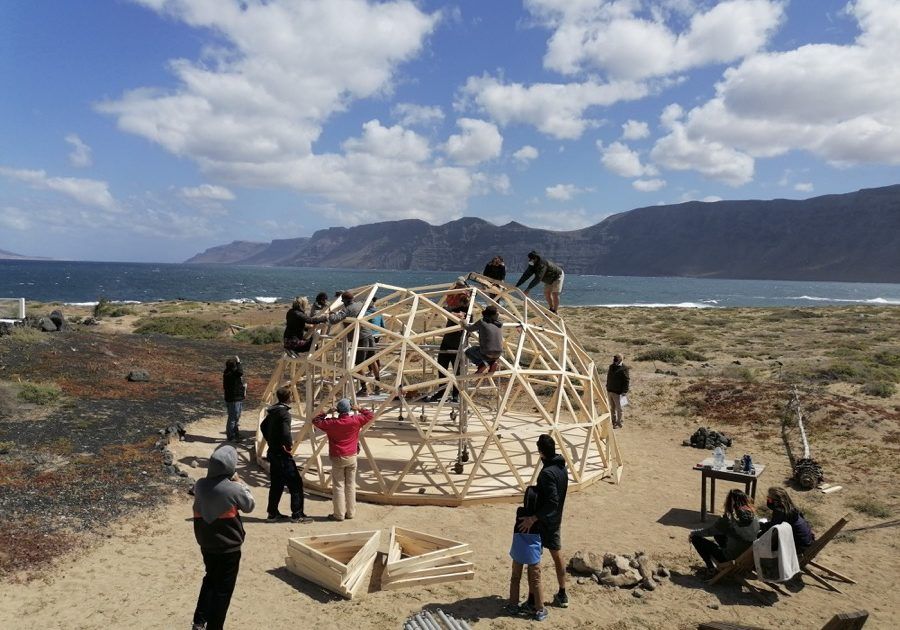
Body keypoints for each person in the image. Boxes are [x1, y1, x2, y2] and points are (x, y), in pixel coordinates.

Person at [191, 444, 255, 630]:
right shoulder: (233, 489)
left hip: (206, 542)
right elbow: (250, 505)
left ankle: (199, 621)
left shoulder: (200, 485)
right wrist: (239, 481)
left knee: (210, 579)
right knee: (223, 590)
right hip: (229, 546)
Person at [517, 433, 569, 614]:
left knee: (534, 561)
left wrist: (533, 518)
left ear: (541, 452)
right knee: (557, 555)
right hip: (555, 519)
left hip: (544, 521)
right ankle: (562, 593)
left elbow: (552, 500)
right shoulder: (561, 467)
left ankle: (533, 600)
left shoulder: (547, 473)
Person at [311, 399, 375, 521]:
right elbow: (371, 415)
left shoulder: (332, 423)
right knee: (350, 485)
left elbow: (316, 421)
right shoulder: (356, 420)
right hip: (352, 456)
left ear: (338, 410)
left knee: (338, 486)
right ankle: (351, 513)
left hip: (338, 457)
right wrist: (359, 408)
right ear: (349, 409)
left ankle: (339, 515)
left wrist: (327, 412)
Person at [260, 386, 311, 523]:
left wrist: (270, 440)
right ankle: (297, 514)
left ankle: (272, 513)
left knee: (277, 483)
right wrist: (287, 446)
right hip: (282, 454)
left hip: (272, 452)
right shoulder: (284, 414)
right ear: (289, 398)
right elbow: (285, 432)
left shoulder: (273, 411)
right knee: (295, 483)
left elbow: (263, 426)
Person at [689, 489, 760, 576]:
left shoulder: (729, 520)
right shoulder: (755, 518)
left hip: (730, 559)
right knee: (719, 535)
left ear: (730, 502)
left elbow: (708, 531)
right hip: (746, 559)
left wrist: (693, 533)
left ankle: (711, 568)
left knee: (695, 538)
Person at [426, 278, 471, 403]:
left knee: (457, 371)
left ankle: (456, 394)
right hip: (447, 341)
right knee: (442, 367)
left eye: (461, 300)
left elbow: (467, 321)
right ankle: (442, 392)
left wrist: (460, 315)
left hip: (458, 344)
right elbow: (447, 309)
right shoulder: (453, 310)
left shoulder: (468, 313)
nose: (457, 302)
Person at [326, 291, 380, 397]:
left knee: (358, 364)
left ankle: (364, 389)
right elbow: (370, 306)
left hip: (359, 338)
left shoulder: (347, 309)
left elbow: (333, 320)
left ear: (345, 301)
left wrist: (330, 314)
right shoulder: (360, 304)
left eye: (343, 301)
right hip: (369, 334)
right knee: (372, 360)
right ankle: (378, 386)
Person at [505, 486, 544, 620]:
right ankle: (539, 609)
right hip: (532, 552)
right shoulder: (537, 519)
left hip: (518, 550)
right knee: (536, 580)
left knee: (515, 578)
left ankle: (513, 605)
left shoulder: (519, 512)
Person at [758, 487, 815, 554]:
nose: (768, 500)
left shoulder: (780, 512)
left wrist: (759, 527)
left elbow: (772, 529)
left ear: (776, 501)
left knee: (760, 541)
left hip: (799, 547)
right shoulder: (791, 508)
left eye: (769, 499)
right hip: (807, 542)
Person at [461, 305, 504, 375]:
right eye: (497, 313)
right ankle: (492, 363)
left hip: (487, 352)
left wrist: (463, 322)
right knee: (484, 351)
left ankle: (482, 364)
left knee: (468, 351)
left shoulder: (482, 322)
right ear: (493, 315)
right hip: (499, 353)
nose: (498, 314)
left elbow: (469, 328)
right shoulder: (499, 324)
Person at [222, 356, 246, 442]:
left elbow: (239, 373)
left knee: (236, 417)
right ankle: (231, 437)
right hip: (233, 400)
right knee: (232, 418)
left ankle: (235, 434)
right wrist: (239, 362)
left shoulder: (229, 372)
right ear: (234, 366)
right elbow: (240, 372)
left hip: (236, 398)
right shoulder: (230, 374)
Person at [606, 354, 629, 429]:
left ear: (621, 359)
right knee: (612, 408)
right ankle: (613, 421)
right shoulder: (611, 366)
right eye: (614, 358)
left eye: (616, 358)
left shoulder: (624, 368)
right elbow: (609, 376)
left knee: (619, 409)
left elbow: (626, 380)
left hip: (618, 392)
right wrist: (607, 386)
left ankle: (619, 422)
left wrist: (624, 391)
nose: (614, 359)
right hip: (610, 390)